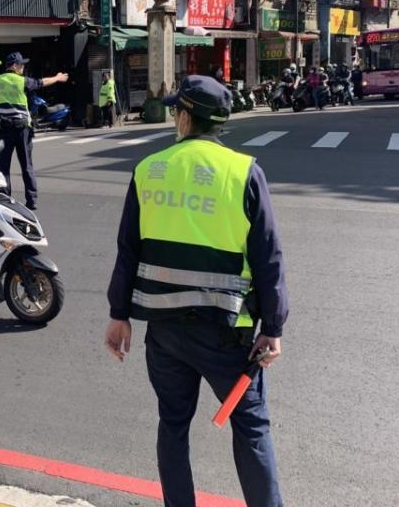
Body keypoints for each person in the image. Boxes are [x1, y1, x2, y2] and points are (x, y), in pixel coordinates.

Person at [104, 75, 288, 507]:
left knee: (173, 424)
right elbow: (268, 257)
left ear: (185, 117)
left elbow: (128, 249)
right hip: (228, 332)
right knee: (251, 427)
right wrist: (274, 326)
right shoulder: (244, 171)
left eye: (175, 111)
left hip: (165, 333)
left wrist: (118, 315)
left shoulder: (150, 169)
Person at [0, 52, 68, 210]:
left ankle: (4, 198)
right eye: (21, 64)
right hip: (22, 129)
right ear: (14, 66)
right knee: (27, 165)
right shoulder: (23, 81)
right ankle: (32, 200)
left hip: (4, 130)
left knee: (3, 167)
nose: (23, 67)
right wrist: (58, 78)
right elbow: (42, 82)